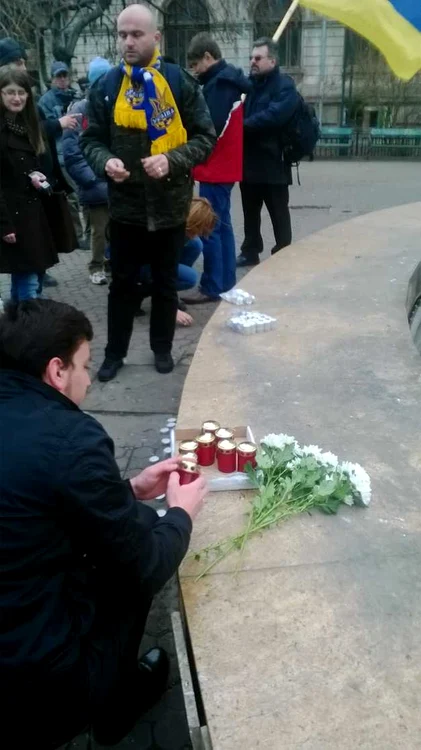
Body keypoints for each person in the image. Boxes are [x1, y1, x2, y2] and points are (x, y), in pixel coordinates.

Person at [0, 298, 207, 749]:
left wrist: (128, 489)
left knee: (129, 518)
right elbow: (145, 563)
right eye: (84, 365)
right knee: (142, 546)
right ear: (57, 371)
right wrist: (180, 514)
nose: (89, 380)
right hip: (33, 679)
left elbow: (29, 501)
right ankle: (114, 703)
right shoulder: (71, 437)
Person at [81, 3, 216, 378]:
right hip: (125, 210)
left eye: (136, 34)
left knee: (165, 285)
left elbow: (206, 137)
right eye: (122, 34)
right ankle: (114, 354)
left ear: (156, 37)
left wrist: (172, 159)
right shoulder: (107, 86)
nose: (128, 41)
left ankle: (162, 349)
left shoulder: (178, 82)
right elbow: (90, 140)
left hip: (170, 208)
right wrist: (104, 161)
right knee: (121, 286)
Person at [0, 40, 79, 288]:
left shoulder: (25, 118)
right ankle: (25, 322)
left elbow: (28, 154)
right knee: (27, 281)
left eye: (21, 93)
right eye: (11, 92)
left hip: (31, 205)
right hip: (13, 213)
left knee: (29, 279)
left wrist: (36, 176)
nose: (17, 97)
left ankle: (22, 319)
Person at [185, 33, 250, 303]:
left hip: (216, 167)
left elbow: (210, 127)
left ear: (208, 58)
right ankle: (225, 282)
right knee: (221, 226)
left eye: (195, 65)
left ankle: (213, 285)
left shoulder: (219, 84)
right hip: (223, 167)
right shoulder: (226, 81)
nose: (195, 72)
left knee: (210, 227)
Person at [237, 37, 300, 267]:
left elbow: (276, 115)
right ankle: (250, 249)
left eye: (258, 58)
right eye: (251, 57)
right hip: (249, 162)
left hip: (274, 163)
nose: (252, 62)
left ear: (272, 60)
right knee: (249, 211)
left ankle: (283, 250)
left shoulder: (285, 85)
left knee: (278, 212)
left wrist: (243, 126)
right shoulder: (249, 85)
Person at [63, 57, 112, 285]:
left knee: (115, 230)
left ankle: (110, 263)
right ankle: (96, 266)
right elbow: (72, 154)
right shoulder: (80, 112)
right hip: (95, 185)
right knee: (99, 231)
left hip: (113, 181)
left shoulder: (113, 106)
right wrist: (93, 180)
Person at [136, 196, 217, 326]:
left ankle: (166, 293)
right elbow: (161, 271)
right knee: (190, 277)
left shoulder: (178, 222)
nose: (199, 233)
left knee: (195, 244)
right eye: (199, 229)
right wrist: (170, 308)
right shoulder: (164, 233)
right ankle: (136, 294)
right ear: (192, 222)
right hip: (135, 265)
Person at [39, 61, 87, 249]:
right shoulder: (46, 101)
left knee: (83, 196)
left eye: (65, 76)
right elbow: (48, 129)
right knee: (72, 197)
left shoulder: (75, 96)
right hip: (60, 156)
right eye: (58, 76)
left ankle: (83, 235)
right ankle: (76, 235)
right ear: (52, 79)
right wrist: (62, 119)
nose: (62, 80)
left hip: (78, 152)